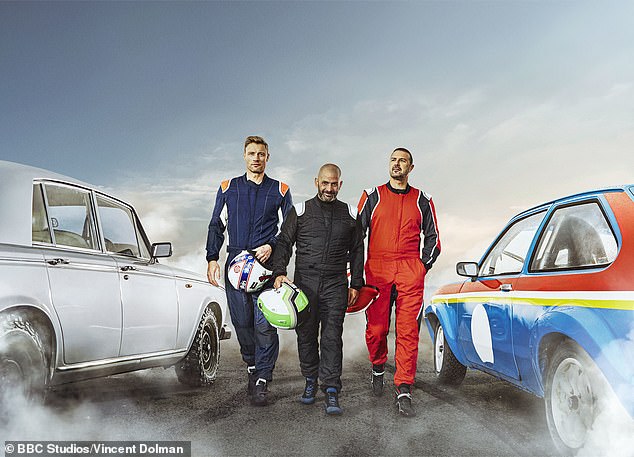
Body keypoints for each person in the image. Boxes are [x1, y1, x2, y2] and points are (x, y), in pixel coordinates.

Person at [270, 163, 364, 415]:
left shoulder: (351, 215)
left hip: (335, 284)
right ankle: (310, 380)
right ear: (316, 182)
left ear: (340, 184)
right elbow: (284, 243)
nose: (329, 188)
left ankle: (331, 390)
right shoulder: (299, 212)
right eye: (325, 183)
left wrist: (356, 283)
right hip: (305, 285)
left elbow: (357, 251)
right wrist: (279, 272)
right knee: (307, 335)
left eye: (334, 184)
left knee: (332, 337)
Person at [206, 135, 293, 406]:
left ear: (268, 157)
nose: (256, 158)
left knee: (264, 325)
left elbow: (289, 229)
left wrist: (272, 245)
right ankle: (253, 367)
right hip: (235, 265)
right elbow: (216, 224)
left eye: (261, 154)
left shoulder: (280, 190)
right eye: (252, 153)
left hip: (265, 266)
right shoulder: (228, 188)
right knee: (242, 323)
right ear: (244, 156)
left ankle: (263, 379)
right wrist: (212, 258)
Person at [356, 147, 441, 417]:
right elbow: (356, 236)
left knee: (408, 332)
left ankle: (404, 388)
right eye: (393, 160)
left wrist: (421, 266)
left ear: (411, 168)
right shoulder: (373, 196)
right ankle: (378, 366)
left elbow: (434, 239)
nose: (397, 164)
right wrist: (357, 273)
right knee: (377, 329)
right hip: (378, 270)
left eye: (402, 161)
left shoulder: (422, 200)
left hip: (409, 270)